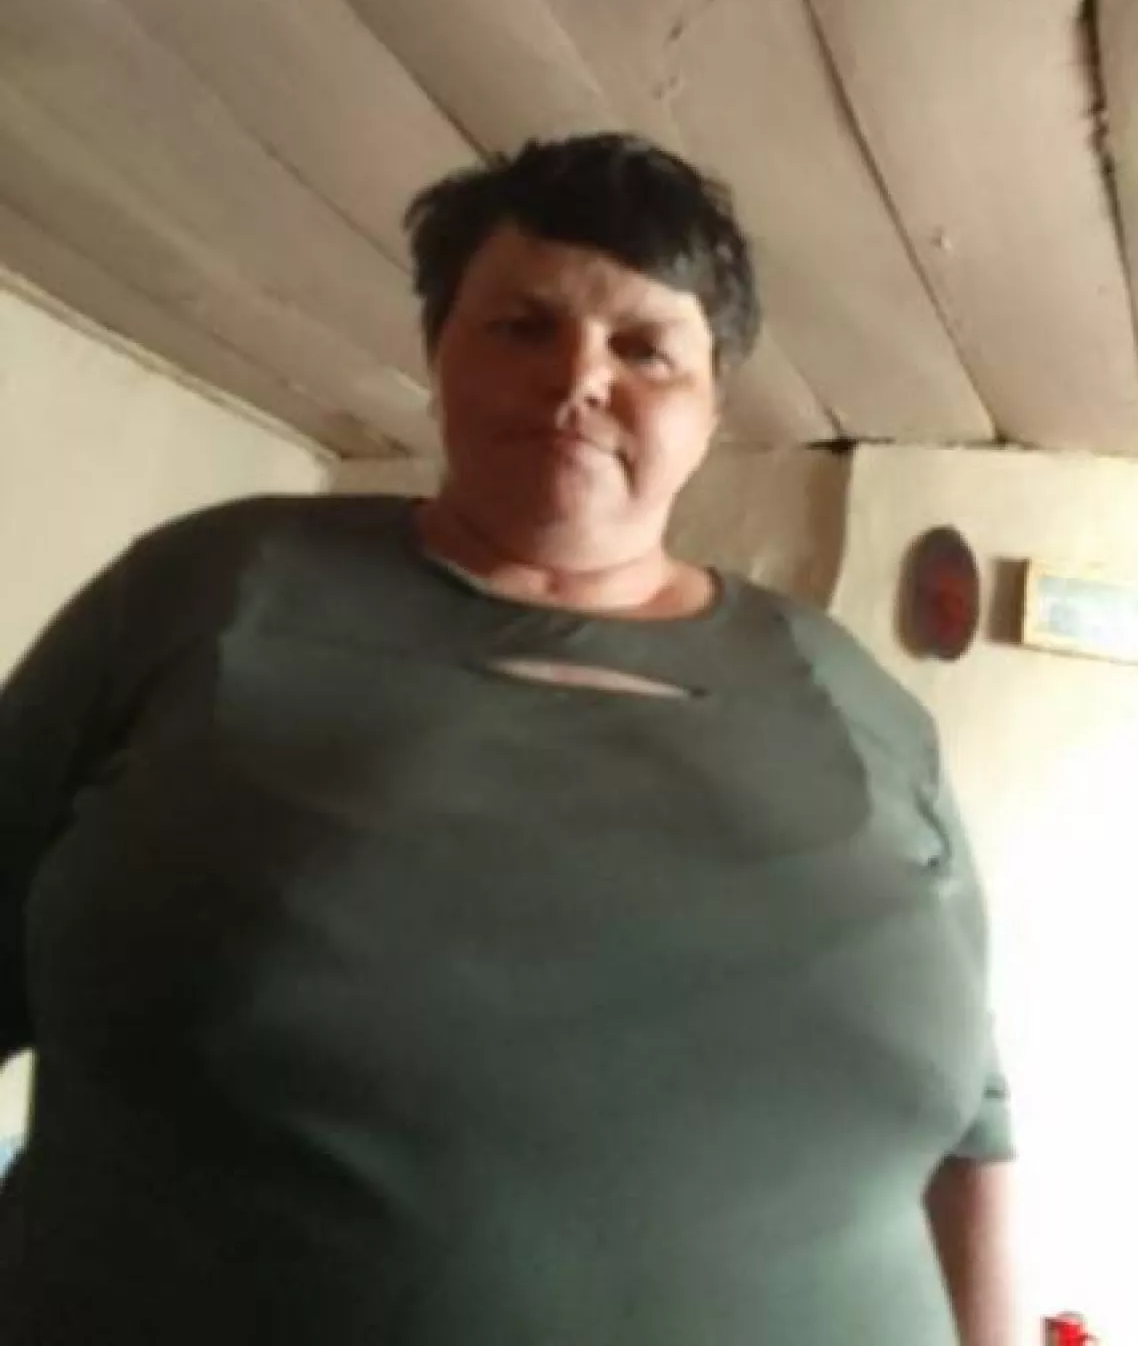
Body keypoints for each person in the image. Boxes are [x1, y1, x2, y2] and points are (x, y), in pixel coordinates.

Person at [0, 134, 1015, 1344]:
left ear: (709, 406)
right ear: (438, 358)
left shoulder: (855, 702)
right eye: (523, 328)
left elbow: (974, 1134)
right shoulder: (206, 597)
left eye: (643, 348)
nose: (579, 377)